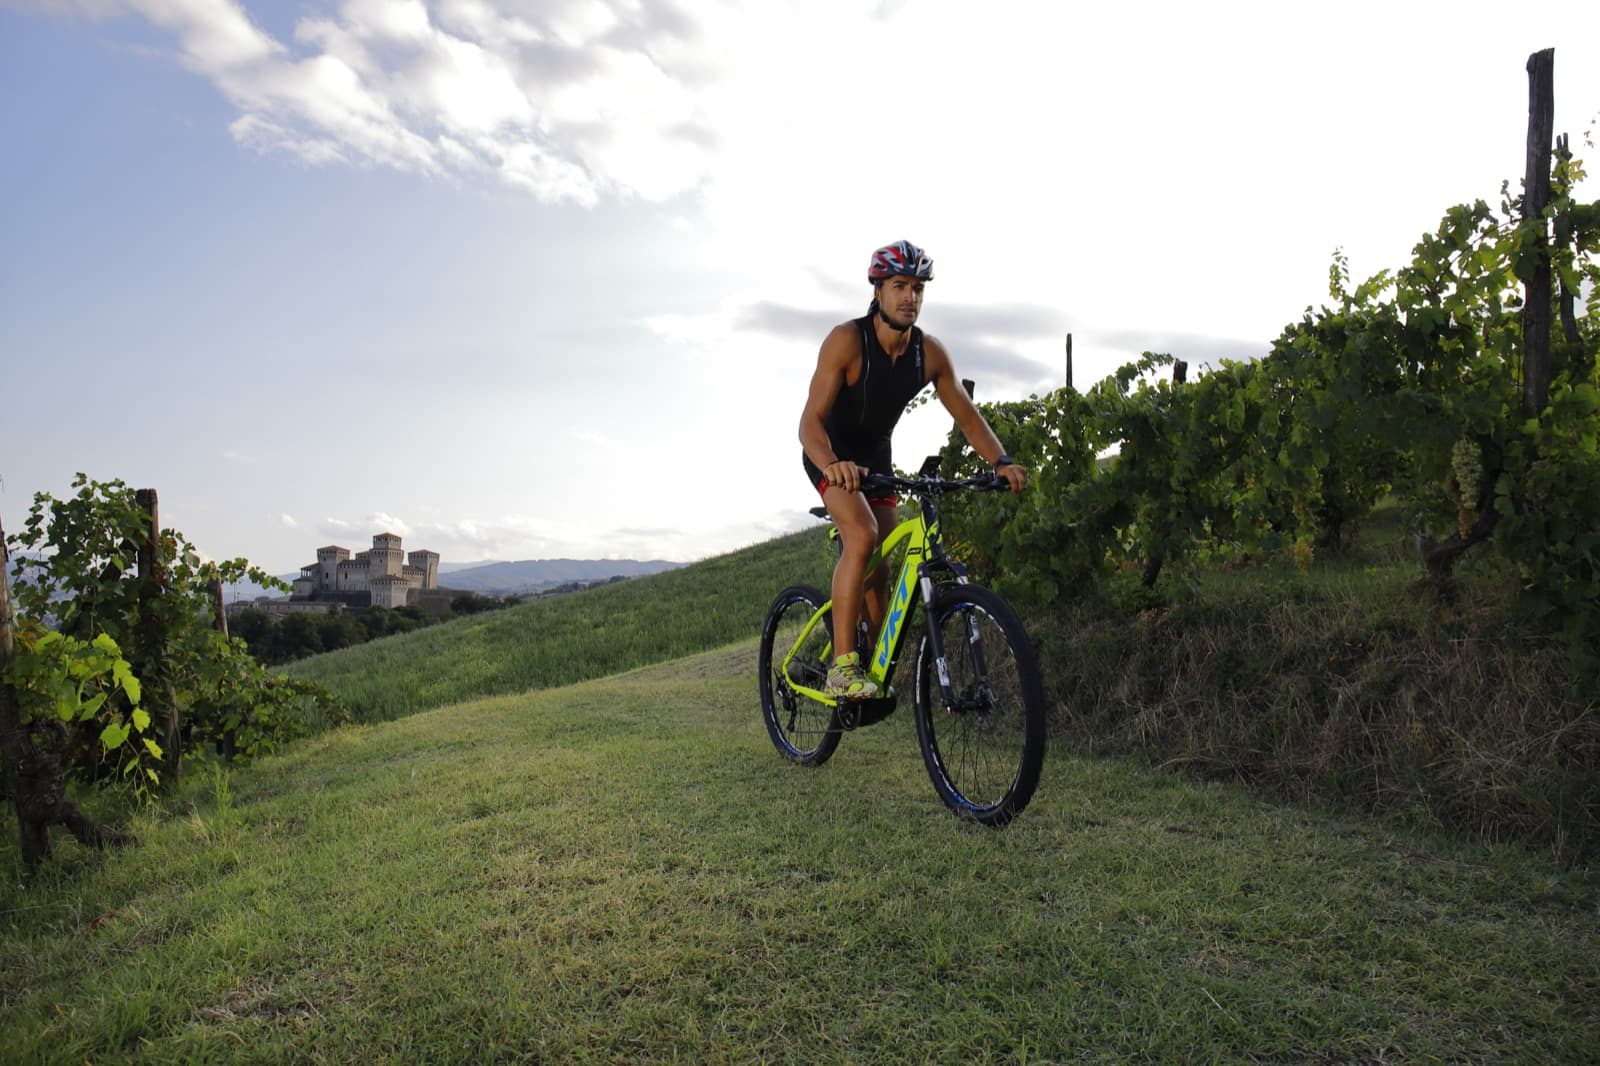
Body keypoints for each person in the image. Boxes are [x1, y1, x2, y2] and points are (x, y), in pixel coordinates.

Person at [798, 240, 1027, 700]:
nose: (910, 297)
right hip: (830, 452)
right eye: (900, 286)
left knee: (880, 570)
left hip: (876, 458)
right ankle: (841, 669)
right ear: (878, 291)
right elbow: (809, 424)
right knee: (861, 537)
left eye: (918, 288)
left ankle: (866, 652)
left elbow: (966, 415)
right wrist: (832, 464)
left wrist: (999, 461)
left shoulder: (929, 353)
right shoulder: (847, 341)